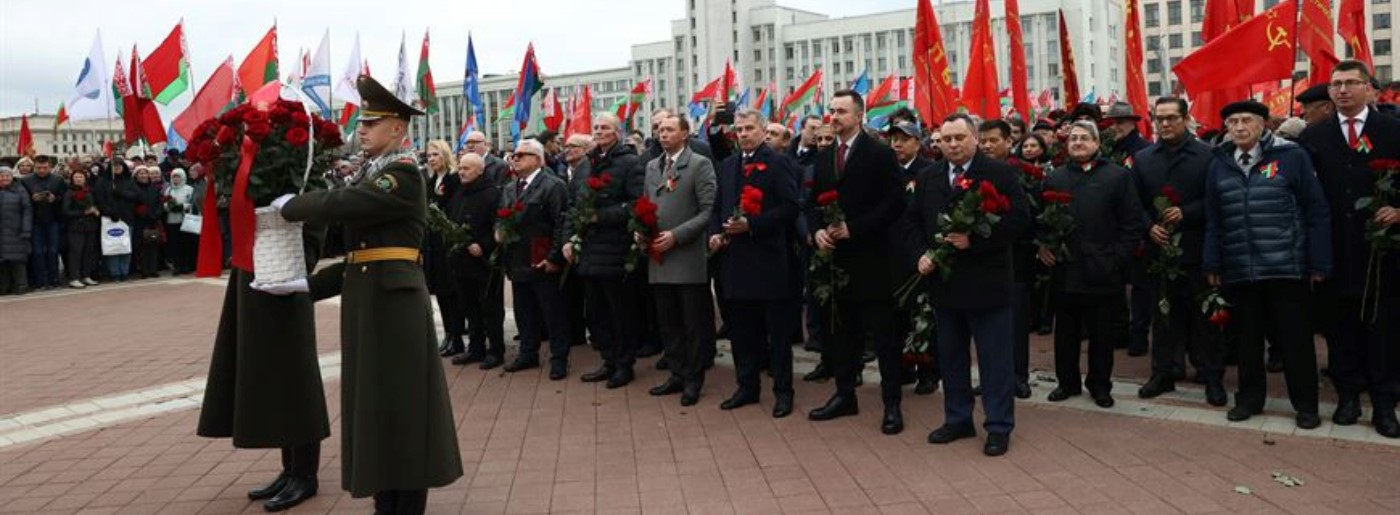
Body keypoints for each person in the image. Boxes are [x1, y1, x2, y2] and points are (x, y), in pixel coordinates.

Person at [262, 75, 464, 514]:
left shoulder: (403, 174)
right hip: (369, 308)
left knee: (404, 409)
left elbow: (345, 204)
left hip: (394, 310)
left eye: (373, 123)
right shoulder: (376, 172)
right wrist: (306, 286)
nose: (363, 130)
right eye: (363, 122)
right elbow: (361, 259)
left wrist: (293, 206)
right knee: (376, 409)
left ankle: (405, 503)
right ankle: (384, 498)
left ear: (398, 128)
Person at [904, 114, 1030, 456]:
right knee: (951, 357)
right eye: (947, 139)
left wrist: (974, 239)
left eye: (960, 137)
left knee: (994, 361)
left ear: (975, 138)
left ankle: (999, 425)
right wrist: (921, 254)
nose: (954, 145)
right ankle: (958, 418)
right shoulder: (929, 176)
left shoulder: (998, 173)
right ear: (938, 143)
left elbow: (1019, 219)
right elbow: (913, 220)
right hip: (945, 285)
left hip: (987, 283)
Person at [1204, 100, 1331, 429]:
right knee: (1246, 340)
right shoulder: (1218, 162)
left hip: (1286, 266)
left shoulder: (1292, 157)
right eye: (1232, 121)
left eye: (1247, 120)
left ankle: (1305, 405)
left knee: (1295, 341)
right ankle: (1248, 399)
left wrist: (1317, 260)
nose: (1240, 127)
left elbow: (1315, 210)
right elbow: (1213, 219)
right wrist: (1212, 260)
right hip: (1240, 266)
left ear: (1263, 124)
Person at [1298, 61, 1400, 438]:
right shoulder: (1314, 136)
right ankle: (1348, 397)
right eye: (1336, 84)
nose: (1343, 90)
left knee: (1384, 330)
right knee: (1341, 329)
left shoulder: (1393, 130)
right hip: (1333, 251)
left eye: (1351, 83)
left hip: (1383, 253)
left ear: (1370, 89)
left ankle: (1385, 404)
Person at [807, 90, 908, 434]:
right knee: (841, 332)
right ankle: (844, 394)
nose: (833, 117)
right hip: (836, 262)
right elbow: (811, 203)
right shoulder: (823, 157)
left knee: (883, 336)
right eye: (830, 111)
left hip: (874, 259)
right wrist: (817, 231)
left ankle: (892, 403)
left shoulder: (879, 153)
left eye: (841, 111)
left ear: (859, 115)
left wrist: (856, 228)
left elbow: (895, 203)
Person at [1039, 121, 1147, 409]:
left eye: (1084, 138)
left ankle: (1100, 385)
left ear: (1097, 144)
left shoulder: (1117, 176)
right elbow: (1040, 220)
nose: (1077, 142)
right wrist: (1043, 246)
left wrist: (1117, 258)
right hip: (1065, 269)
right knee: (1066, 333)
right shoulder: (1054, 178)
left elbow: (1132, 223)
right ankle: (1067, 382)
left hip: (1103, 268)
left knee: (1102, 334)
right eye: (1073, 138)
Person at [1132, 97, 1228, 407]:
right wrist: (1149, 227)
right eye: (1160, 119)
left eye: (1172, 118)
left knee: (1205, 319)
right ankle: (1163, 373)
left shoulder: (1208, 156)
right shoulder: (1144, 159)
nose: (1165, 124)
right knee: (1162, 319)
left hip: (1198, 249)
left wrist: (1186, 212)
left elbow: (1217, 201)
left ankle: (1212, 376)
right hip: (1160, 254)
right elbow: (1134, 203)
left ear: (1186, 119)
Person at [710, 109, 800, 417]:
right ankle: (746, 386)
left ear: (763, 130)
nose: (744, 134)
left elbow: (790, 208)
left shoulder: (779, 163)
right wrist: (714, 234)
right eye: (739, 129)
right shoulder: (727, 166)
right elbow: (717, 208)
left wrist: (753, 224)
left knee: (776, 334)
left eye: (749, 128)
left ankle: (783, 392)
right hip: (735, 261)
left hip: (768, 260)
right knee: (741, 331)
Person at [644, 114, 718, 406]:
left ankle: (694, 379)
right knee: (669, 321)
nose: (663, 134)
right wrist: (641, 231)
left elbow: (707, 210)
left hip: (686, 255)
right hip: (658, 256)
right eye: (660, 130)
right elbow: (646, 204)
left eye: (670, 129)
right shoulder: (652, 166)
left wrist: (676, 235)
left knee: (692, 322)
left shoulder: (699, 164)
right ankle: (676, 372)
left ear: (685, 134)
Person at [567, 113, 643, 387]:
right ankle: (608, 360)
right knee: (597, 312)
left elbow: (636, 205)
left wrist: (602, 217)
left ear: (617, 132)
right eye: (596, 127)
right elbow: (574, 204)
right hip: (589, 249)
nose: (599, 131)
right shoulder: (587, 164)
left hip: (615, 249)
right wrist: (571, 237)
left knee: (620, 312)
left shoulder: (629, 163)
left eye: (605, 128)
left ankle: (624, 364)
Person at [501, 138, 575, 379]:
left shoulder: (553, 185)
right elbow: (501, 216)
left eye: (522, 155)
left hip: (542, 260)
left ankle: (559, 358)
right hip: (517, 258)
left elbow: (561, 222)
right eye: (514, 155)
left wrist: (554, 257)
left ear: (537, 159)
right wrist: (498, 230)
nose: (515, 158)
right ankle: (528, 353)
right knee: (524, 311)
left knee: (553, 312)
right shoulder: (511, 187)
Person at [887, 121, 940, 396]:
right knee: (896, 316)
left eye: (903, 139)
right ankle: (902, 368)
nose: (897, 144)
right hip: (892, 253)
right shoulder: (886, 172)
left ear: (918, 143)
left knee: (924, 316)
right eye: (893, 139)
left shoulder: (928, 173)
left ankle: (928, 372)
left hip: (919, 254)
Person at [447, 153, 506, 370]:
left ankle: (496, 350)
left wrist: (484, 244)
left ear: (480, 170)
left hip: (484, 262)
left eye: (467, 168)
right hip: (461, 260)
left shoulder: (492, 193)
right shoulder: (459, 192)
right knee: (469, 306)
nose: (462, 172)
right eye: (460, 168)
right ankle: (476, 348)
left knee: (490, 307)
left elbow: (500, 225)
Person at [423, 140, 467, 358]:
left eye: (435, 154)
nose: (431, 159)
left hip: (448, 241)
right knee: (440, 291)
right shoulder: (430, 181)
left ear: (445, 155)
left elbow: (454, 208)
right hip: (433, 243)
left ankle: (457, 336)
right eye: (429, 155)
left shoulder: (453, 179)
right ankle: (449, 334)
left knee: (452, 292)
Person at [19, 155, 64, 289]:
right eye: (39, 168)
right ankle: (40, 281)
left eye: (45, 168)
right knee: (37, 252)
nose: (42, 171)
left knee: (53, 251)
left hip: (53, 220)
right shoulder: (26, 180)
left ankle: (54, 279)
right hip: (35, 221)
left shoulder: (58, 180)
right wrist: (32, 199)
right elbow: (21, 201)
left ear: (50, 167)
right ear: (34, 167)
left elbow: (65, 198)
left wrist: (54, 199)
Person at [95, 159, 139, 282]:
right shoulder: (102, 182)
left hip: (126, 218)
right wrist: (109, 212)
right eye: (115, 165)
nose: (117, 167)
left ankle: (124, 271)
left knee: (125, 246)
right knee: (112, 246)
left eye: (120, 165)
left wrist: (120, 193)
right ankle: (114, 273)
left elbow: (136, 196)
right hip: (110, 219)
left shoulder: (129, 181)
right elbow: (100, 200)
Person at [61, 169, 101, 288]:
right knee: (76, 253)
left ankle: (86, 275)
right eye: (76, 177)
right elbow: (66, 211)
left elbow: (94, 204)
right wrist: (84, 212)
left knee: (89, 252)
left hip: (90, 225)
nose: (79, 179)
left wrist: (96, 210)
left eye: (81, 177)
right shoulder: (69, 192)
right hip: (75, 227)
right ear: (72, 179)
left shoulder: (89, 190)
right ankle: (74, 277)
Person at [0, 168, 32, 295]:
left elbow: (27, 211)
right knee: (2, 263)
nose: (4, 178)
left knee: (18, 261)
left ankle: (21, 286)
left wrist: (26, 229)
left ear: (12, 177)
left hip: (17, 232)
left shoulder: (20, 190)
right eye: (2, 176)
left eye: (7, 176)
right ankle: (3, 287)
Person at [132, 167, 165, 279]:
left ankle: (153, 269)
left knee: (154, 245)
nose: (143, 176)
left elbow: (159, 204)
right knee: (142, 247)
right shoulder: (134, 188)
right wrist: (144, 214)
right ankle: (144, 270)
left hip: (154, 220)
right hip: (140, 221)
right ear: (136, 176)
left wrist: (156, 215)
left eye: (145, 174)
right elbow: (134, 205)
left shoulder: (154, 188)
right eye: (141, 174)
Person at [163, 169, 196, 274]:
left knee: (186, 243)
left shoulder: (189, 189)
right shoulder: (169, 190)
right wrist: (169, 207)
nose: (176, 179)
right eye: (174, 177)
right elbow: (164, 203)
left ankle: (187, 265)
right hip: (172, 220)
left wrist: (182, 206)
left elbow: (192, 203)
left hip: (185, 220)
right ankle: (177, 265)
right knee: (175, 244)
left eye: (178, 177)